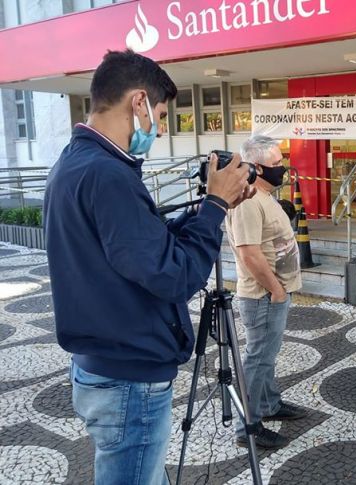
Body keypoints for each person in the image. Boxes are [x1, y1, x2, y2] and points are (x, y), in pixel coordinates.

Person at [43, 50, 255, 484]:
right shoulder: (109, 175)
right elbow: (175, 275)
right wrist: (214, 205)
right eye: (160, 115)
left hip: (104, 365)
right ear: (138, 102)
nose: (158, 130)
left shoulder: (74, 163)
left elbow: (136, 248)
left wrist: (206, 211)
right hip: (129, 380)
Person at [225, 134, 307, 449]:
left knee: (267, 355)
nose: (282, 168)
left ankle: (270, 405)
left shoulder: (265, 194)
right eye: (276, 164)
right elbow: (248, 254)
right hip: (262, 296)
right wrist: (275, 290)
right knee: (258, 358)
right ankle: (249, 425)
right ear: (257, 168)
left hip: (273, 293)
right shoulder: (247, 202)